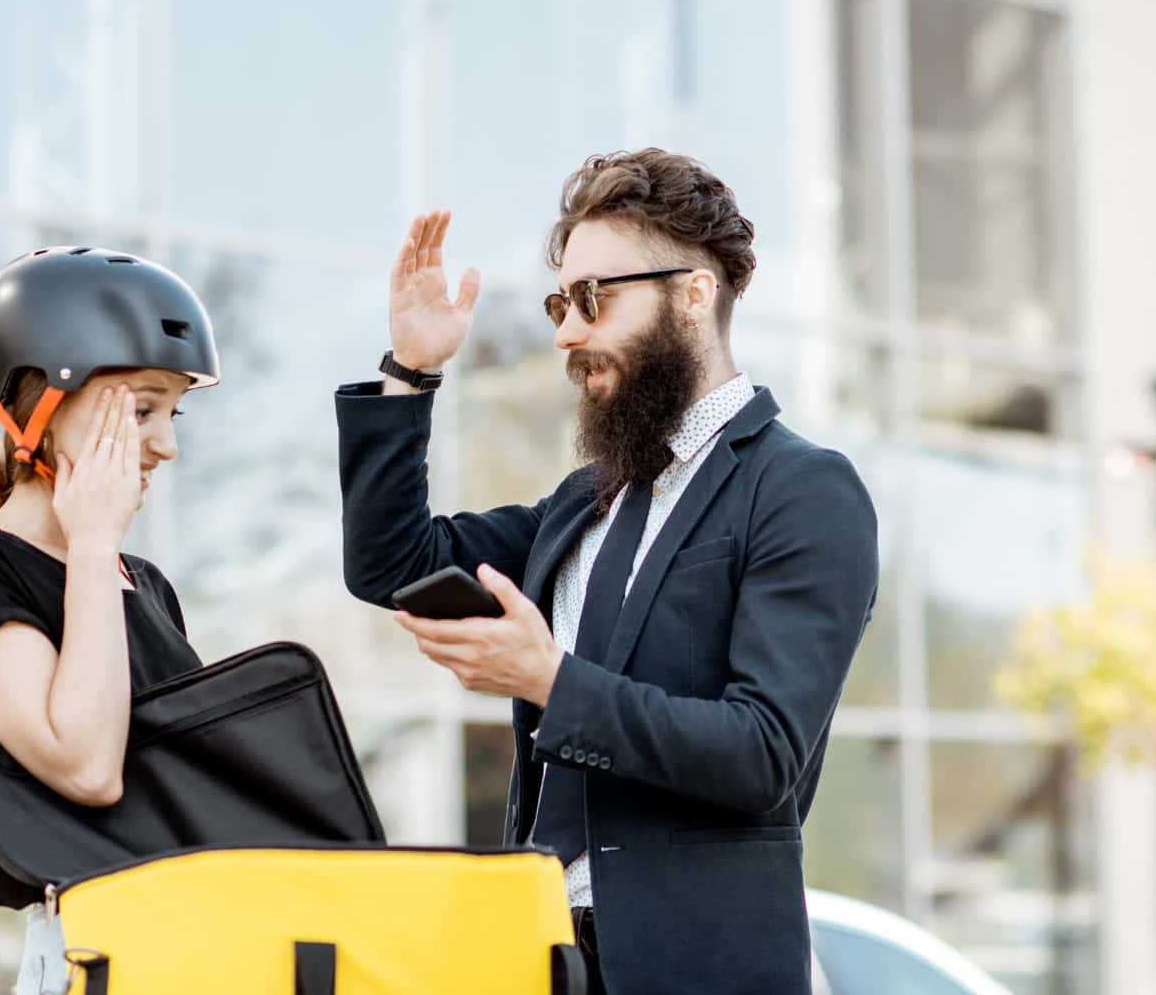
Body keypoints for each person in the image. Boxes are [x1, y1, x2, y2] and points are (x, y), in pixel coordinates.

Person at [336, 148, 880, 993]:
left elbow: (764, 752)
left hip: (698, 970)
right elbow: (390, 563)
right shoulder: (584, 503)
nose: (566, 332)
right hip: (543, 955)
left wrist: (551, 680)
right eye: (562, 301)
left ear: (693, 295)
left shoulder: (802, 490)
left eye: (595, 298)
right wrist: (411, 372)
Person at [0, 246, 220, 995]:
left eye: (172, 412)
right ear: (40, 402)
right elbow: (84, 764)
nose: (166, 443)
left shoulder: (145, 585)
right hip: (94, 953)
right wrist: (90, 540)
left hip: (204, 945)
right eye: (141, 408)